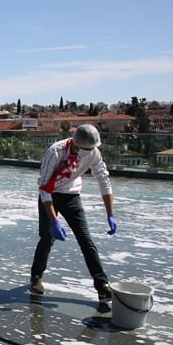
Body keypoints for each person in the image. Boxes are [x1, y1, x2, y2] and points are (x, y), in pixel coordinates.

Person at [29, 124, 117, 304]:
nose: (89, 152)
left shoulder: (93, 153)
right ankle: (36, 278)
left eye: (92, 149)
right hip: (50, 194)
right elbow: (44, 189)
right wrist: (54, 221)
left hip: (71, 196)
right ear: (76, 144)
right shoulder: (55, 152)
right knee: (47, 237)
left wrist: (110, 214)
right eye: (86, 149)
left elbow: (103, 180)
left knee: (86, 240)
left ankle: (102, 286)